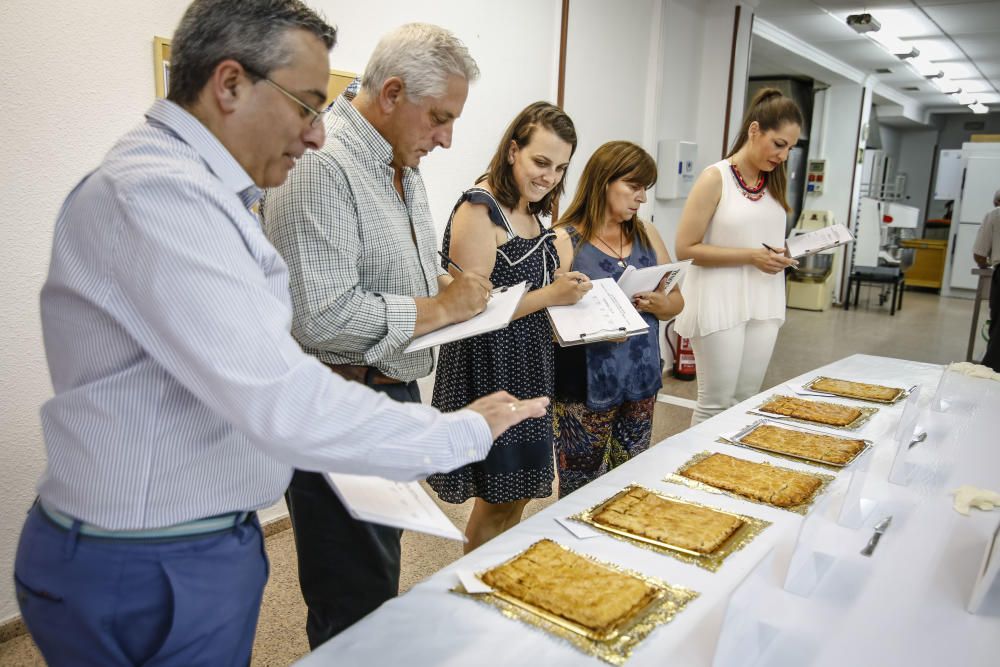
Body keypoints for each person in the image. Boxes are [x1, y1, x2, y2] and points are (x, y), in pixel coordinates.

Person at [14, 4, 548, 665]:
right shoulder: (158, 196)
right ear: (231, 84)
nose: (318, 134)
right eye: (307, 105)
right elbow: (285, 388)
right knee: (354, 605)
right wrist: (460, 431)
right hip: (151, 558)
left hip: (185, 539)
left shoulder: (198, 190)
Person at [261, 23, 491, 647]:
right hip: (341, 403)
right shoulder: (322, 167)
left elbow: (396, 273)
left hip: (388, 393)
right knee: (352, 601)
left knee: (376, 577)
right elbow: (322, 317)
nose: (447, 139)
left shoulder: (402, 164)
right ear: (391, 93)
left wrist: (453, 287)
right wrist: (443, 306)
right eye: (440, 118)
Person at [426, 102, 591, 550]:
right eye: (541, 162)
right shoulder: (480, 208)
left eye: (560, 168)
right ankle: (473, 589)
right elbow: (472, 307)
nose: (549, 177)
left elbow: (526, 287)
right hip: (490, 366)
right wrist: (550, 295)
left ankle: (498, 579)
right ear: (513, 150)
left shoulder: (533, 209)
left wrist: (565, 287)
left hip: (530, 361)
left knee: (518, 497)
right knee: (496, 500)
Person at [551, 141, 684, 498]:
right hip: (583, 386)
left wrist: (659, 303)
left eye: (646, 190)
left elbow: (677, 303)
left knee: (630, 482)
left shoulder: (646, 234)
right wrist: (595, 326)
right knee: (580, 489)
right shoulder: (565, 240)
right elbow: (544, 321)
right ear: (604, 181)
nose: (641, 199)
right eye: (633, 187)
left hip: (639, 380)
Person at [674, 88, 802, 426]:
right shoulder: (715, 178)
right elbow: (686, 248)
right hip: (720, 298)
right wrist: (752, 256)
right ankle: (695, 471)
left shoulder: (774, 182)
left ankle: (728, 471)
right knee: (716, 402)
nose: (784, 155)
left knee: (747, 400)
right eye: (779, 144)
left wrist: (783, 253)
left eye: (790, 148)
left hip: (763, 298)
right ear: (755, 130)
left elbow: (764, 239)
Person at [973, 188, 1000, 371]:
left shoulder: (994, 215)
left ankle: (992, 373)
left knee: (998, 329)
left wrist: (985, 265)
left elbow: (979, 254)